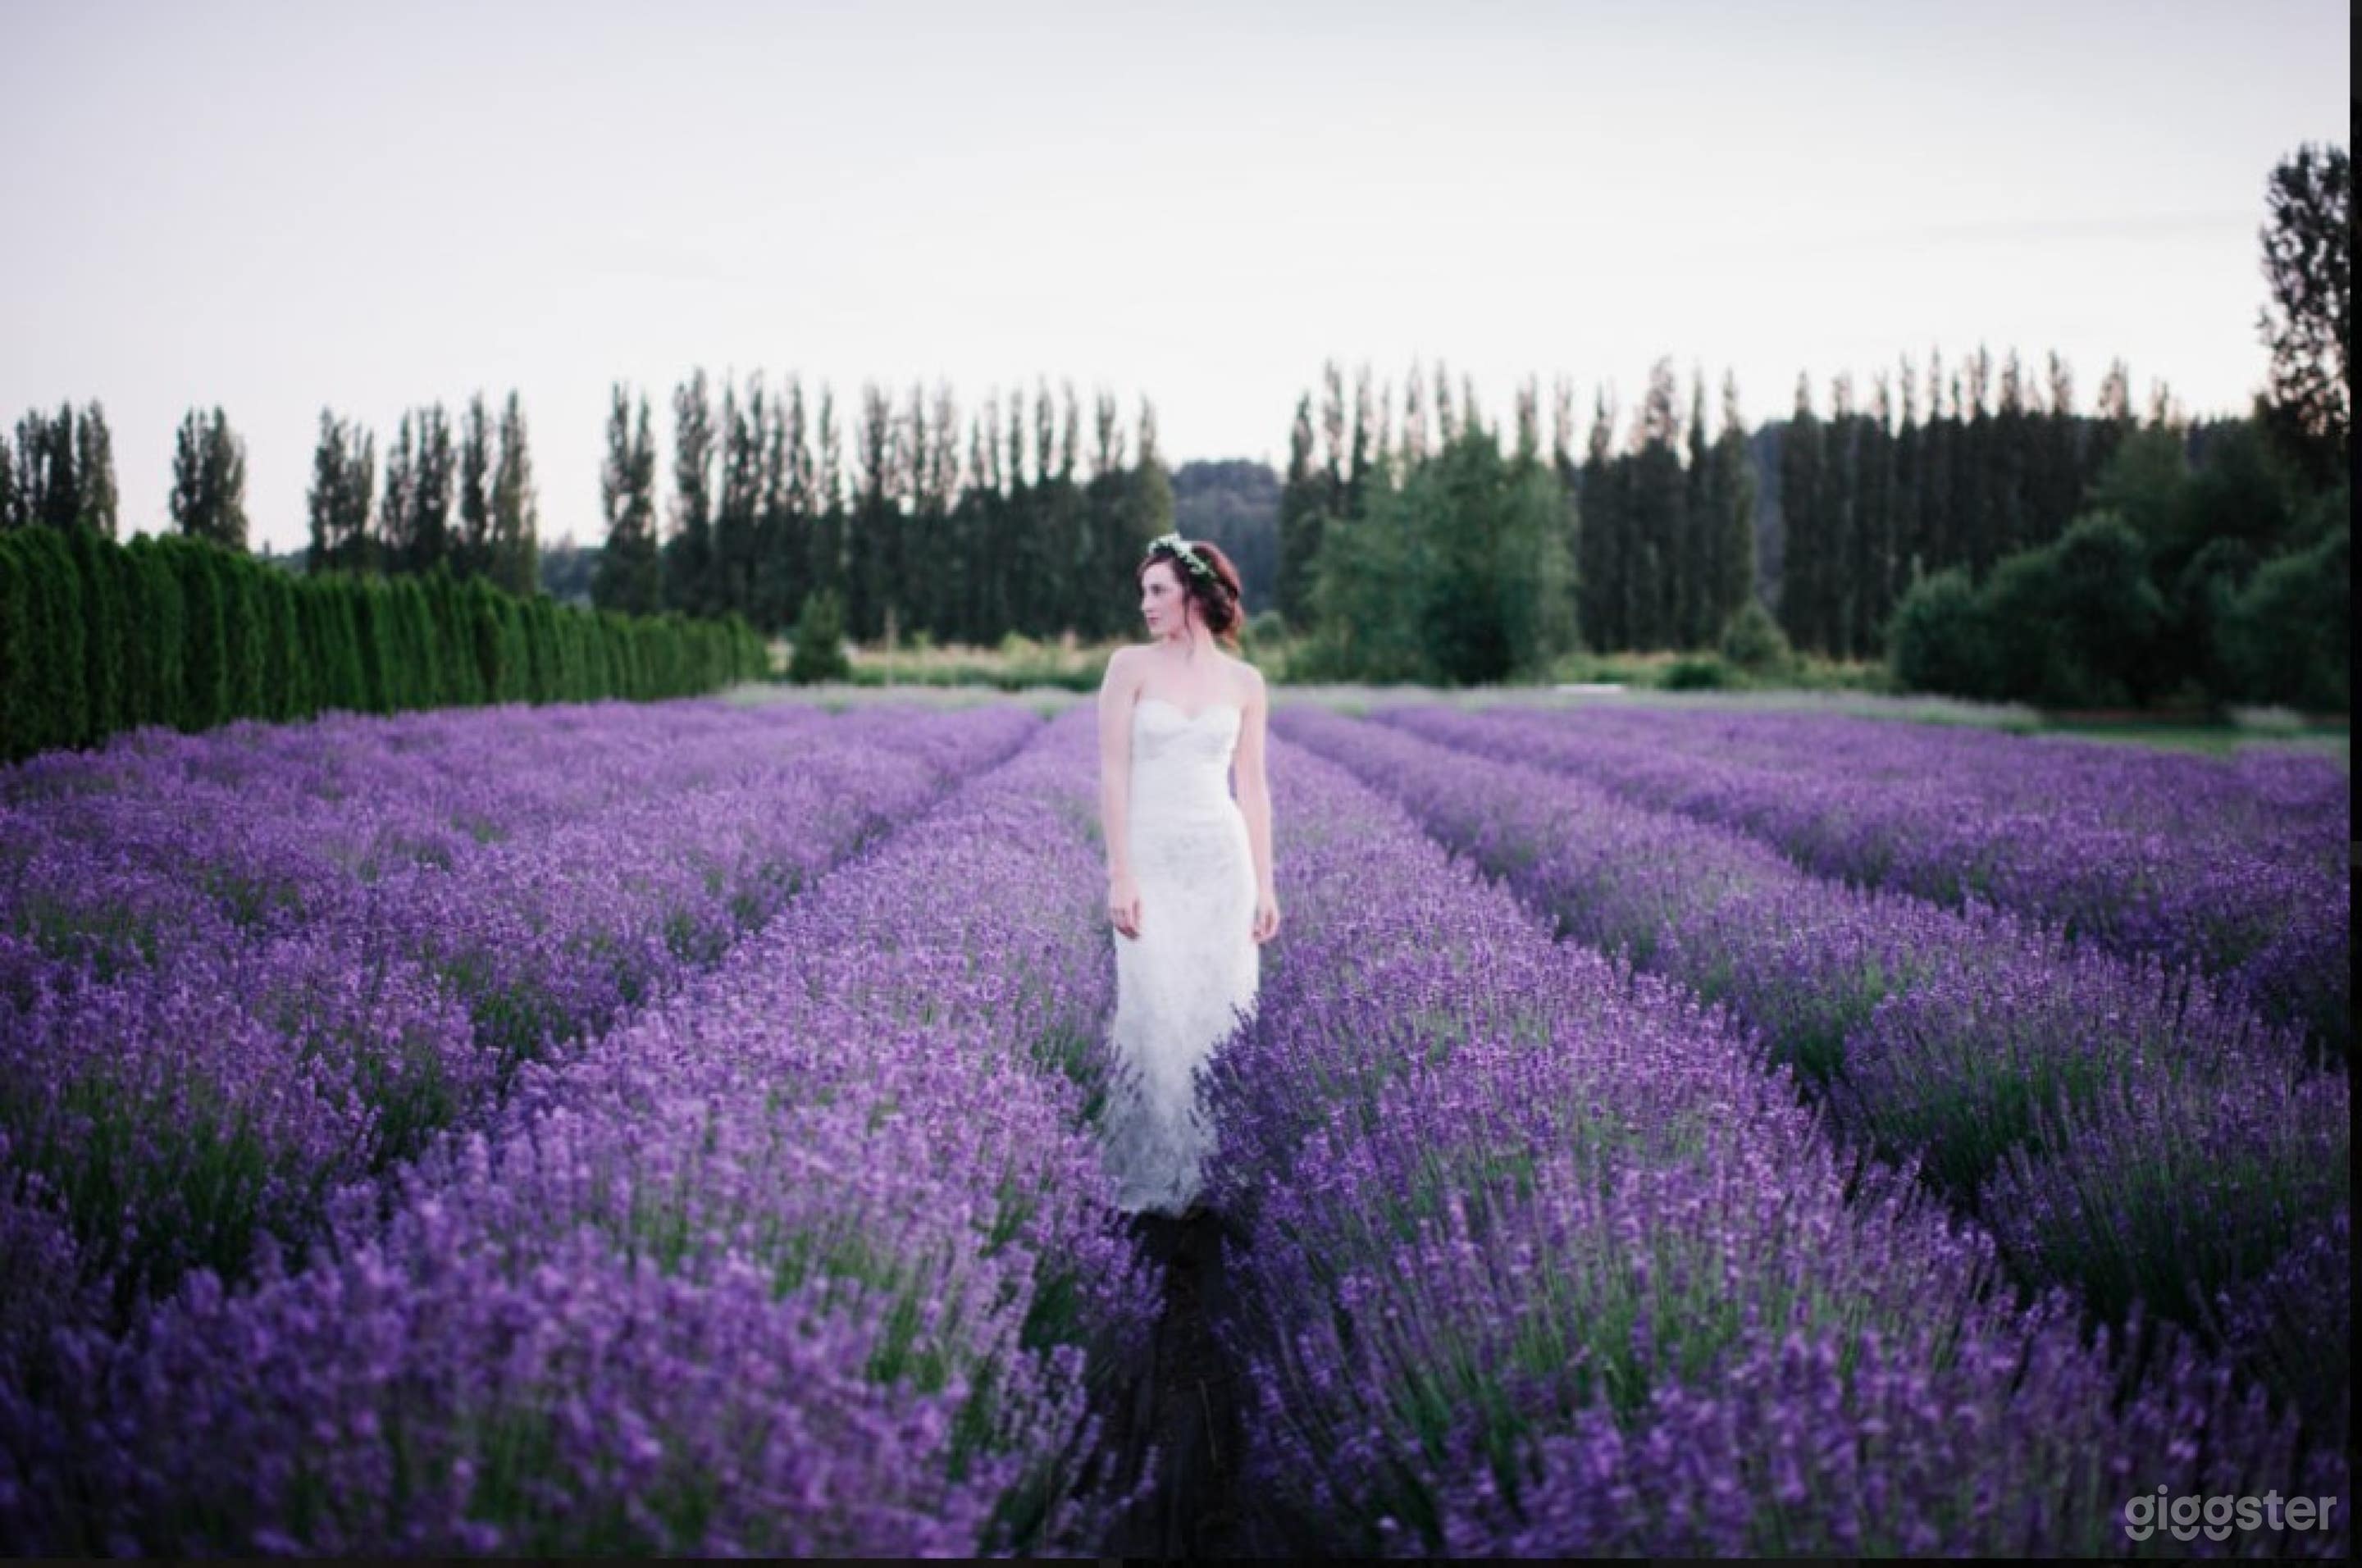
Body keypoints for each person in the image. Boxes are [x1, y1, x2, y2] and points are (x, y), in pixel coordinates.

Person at [1097, 532, 1279, 1219]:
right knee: (1151, 1008)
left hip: (1220, 862)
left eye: (1158, 591)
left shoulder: (1245, 682)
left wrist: (1265, 885)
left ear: (1196, 596)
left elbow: (1254, 789)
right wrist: (1121, 874)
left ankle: (1213, 1176)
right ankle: (1154, 1176)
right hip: (1151, 857)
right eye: (1145, 591)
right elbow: (1113, 773)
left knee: (1219, 1010)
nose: (1145, 604)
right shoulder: (1129, 667)